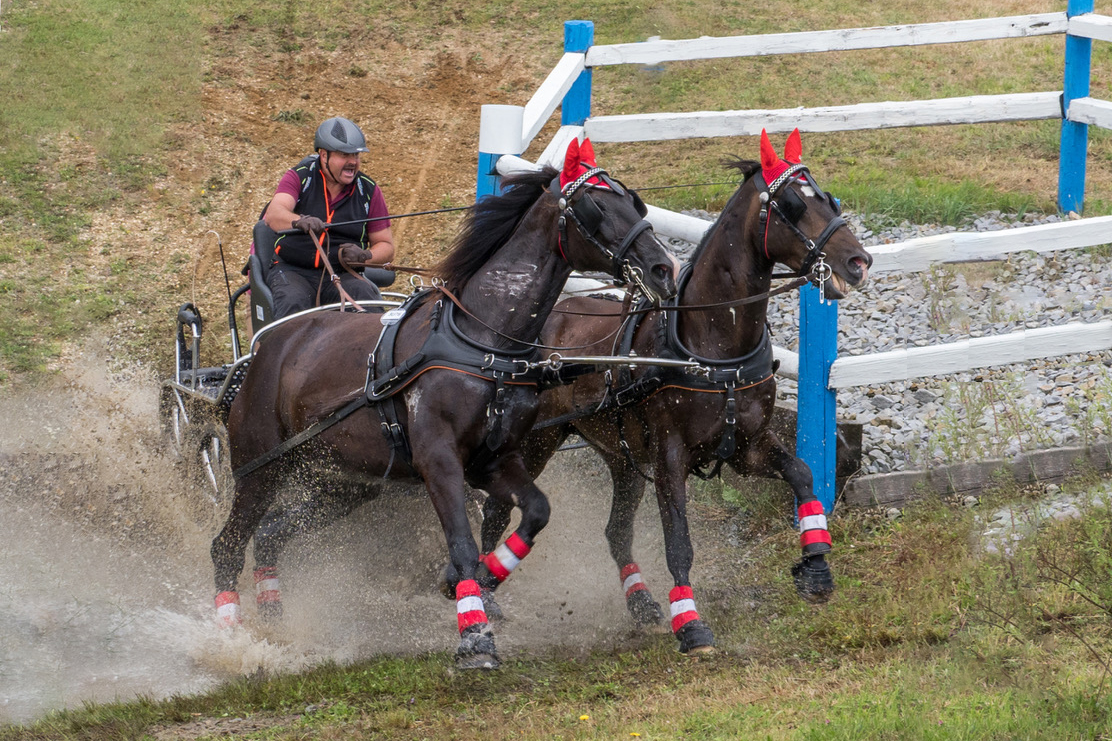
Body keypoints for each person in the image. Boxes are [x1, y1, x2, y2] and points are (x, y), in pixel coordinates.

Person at [262, 116, 396, 318]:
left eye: (356, 156)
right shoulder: (300, 176)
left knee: (367, 302)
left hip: (343, 274)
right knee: (293, 302)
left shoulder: (369, 190)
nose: (353, 162)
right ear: (323, 155)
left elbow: (386, 246)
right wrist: (299, 221)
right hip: (293, 270)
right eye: (344, 155)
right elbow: (274, 214)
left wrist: (365, 256)